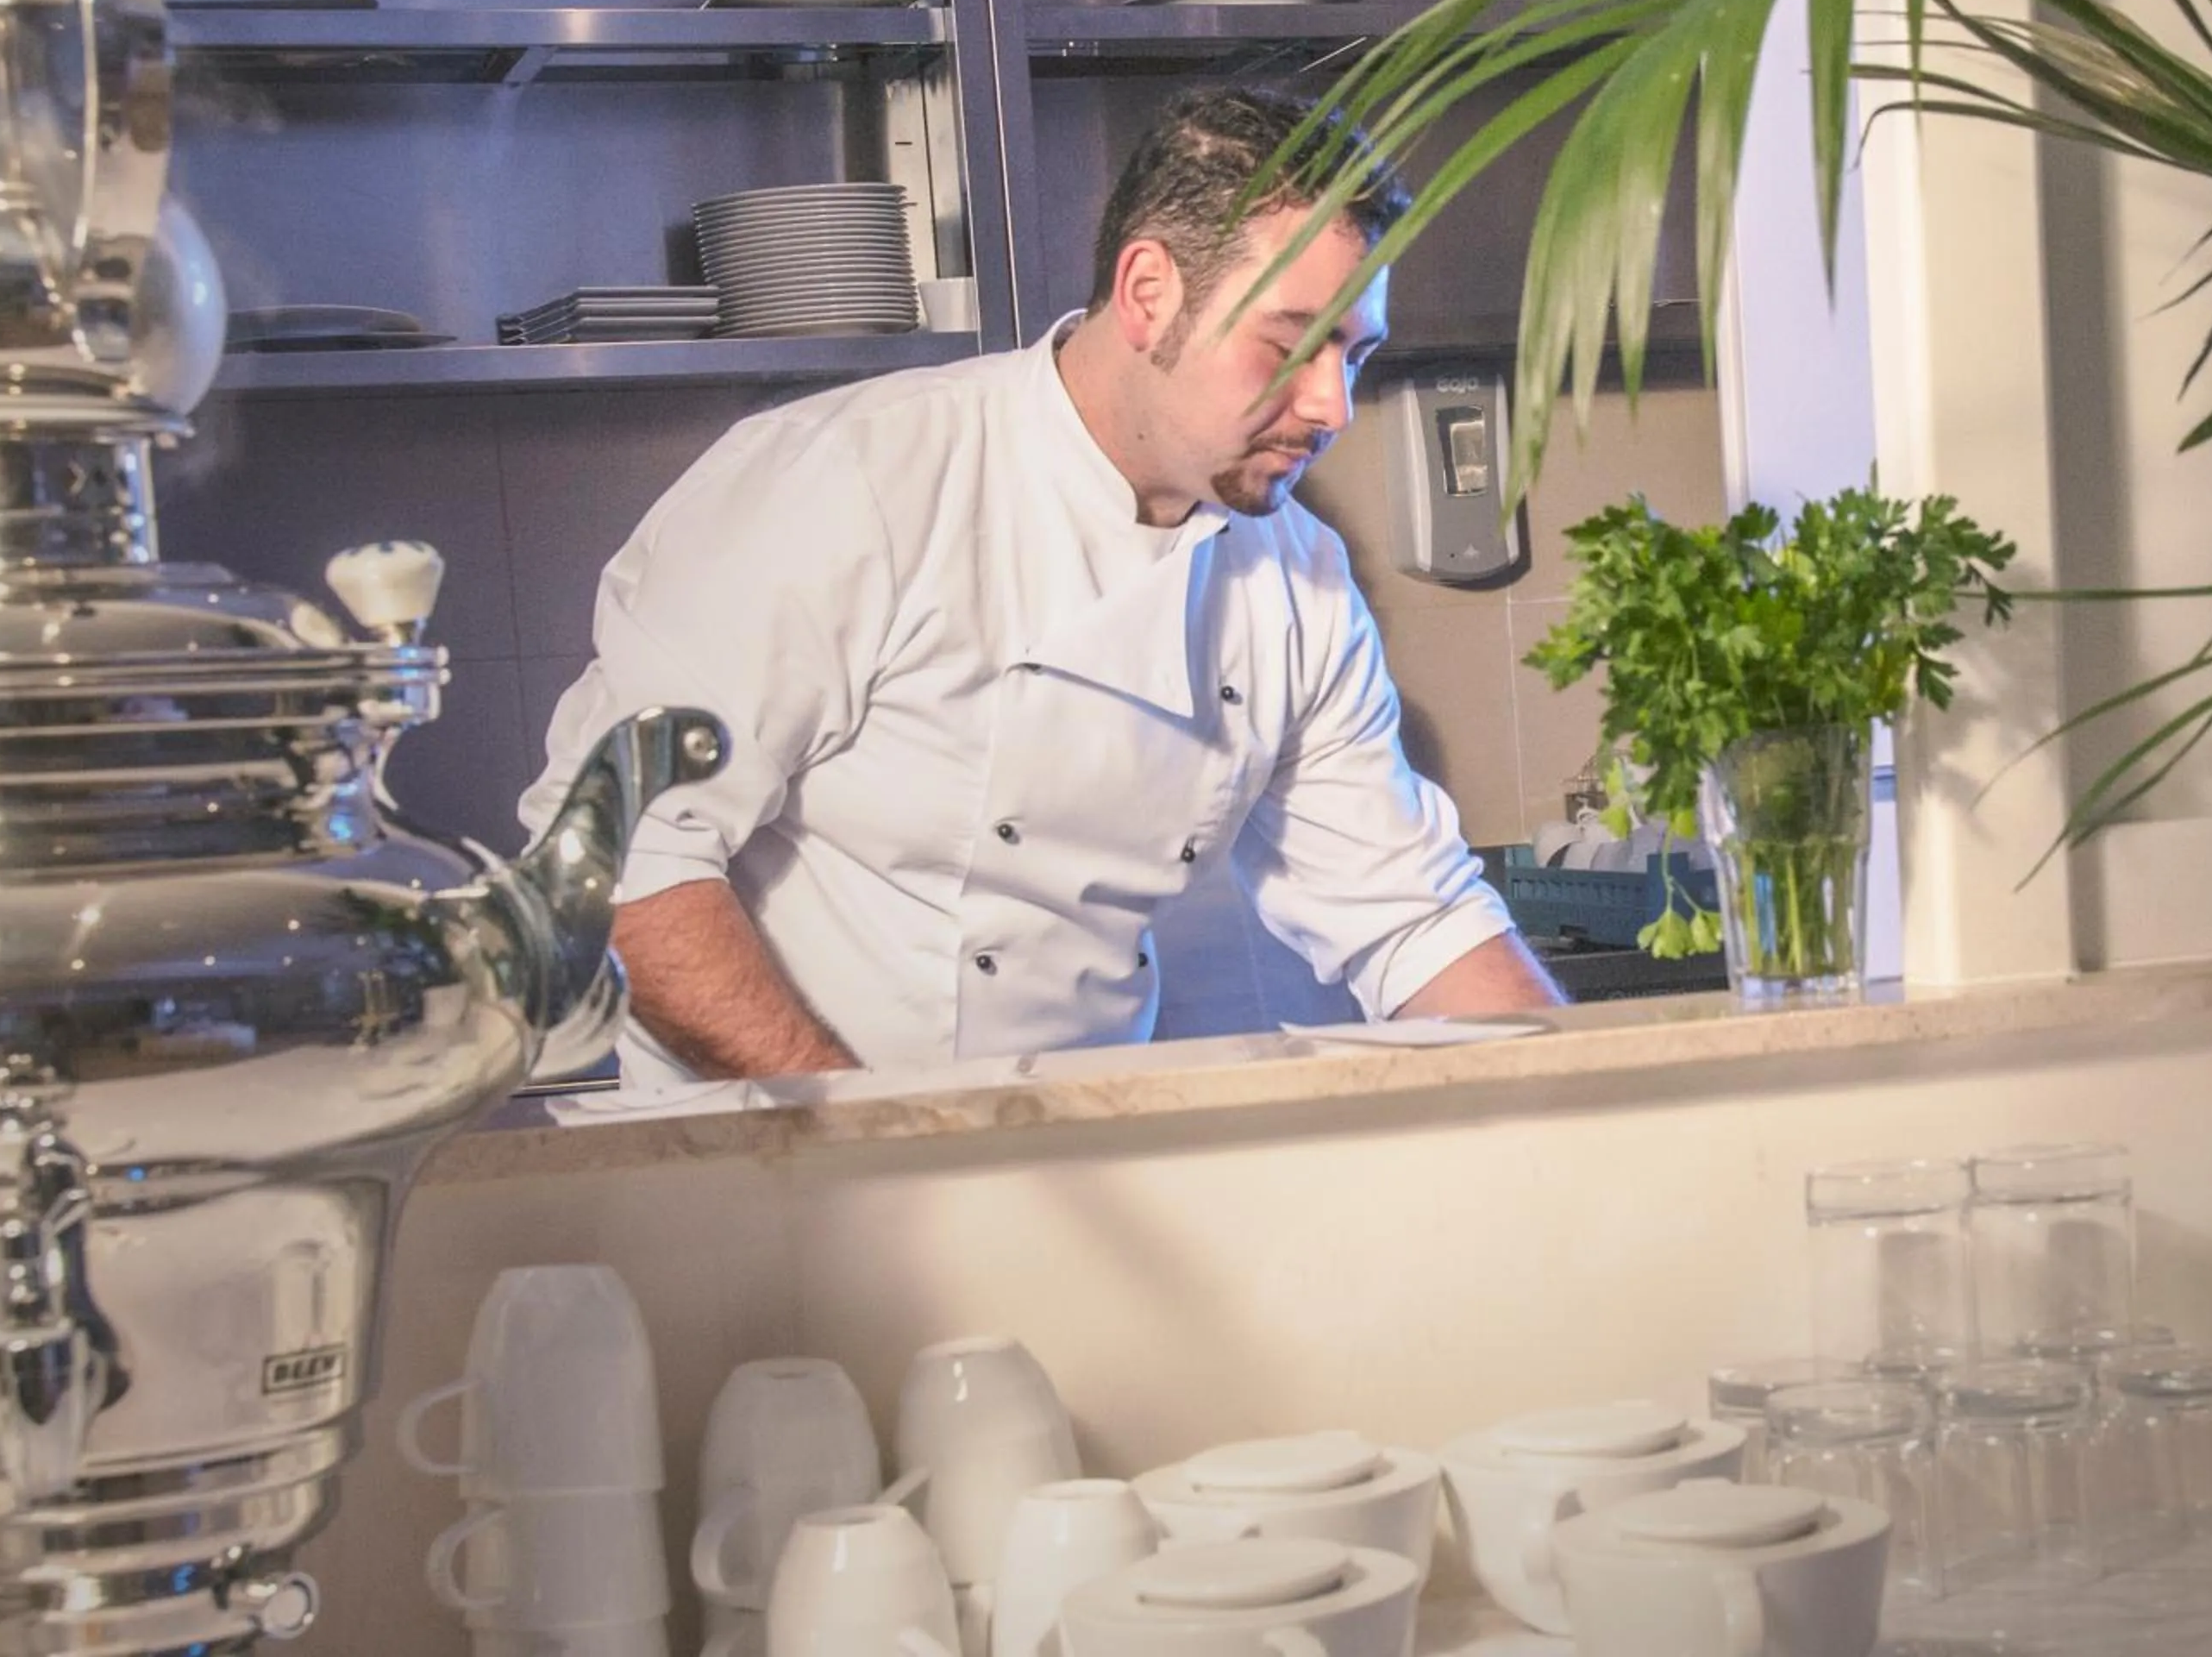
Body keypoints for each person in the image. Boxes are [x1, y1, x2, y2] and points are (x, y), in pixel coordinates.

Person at [518, 86, 1562, 1082]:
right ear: (1150, 293)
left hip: (1065, 1174)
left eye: (1356, 353)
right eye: (1292, 346)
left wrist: (1587, 1118)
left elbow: (1415, 917)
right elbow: (622, 867)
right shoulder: (852, 484)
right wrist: (871, 1142)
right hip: (778, 1185)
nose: (1334, 406)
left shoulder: (1295, 581)